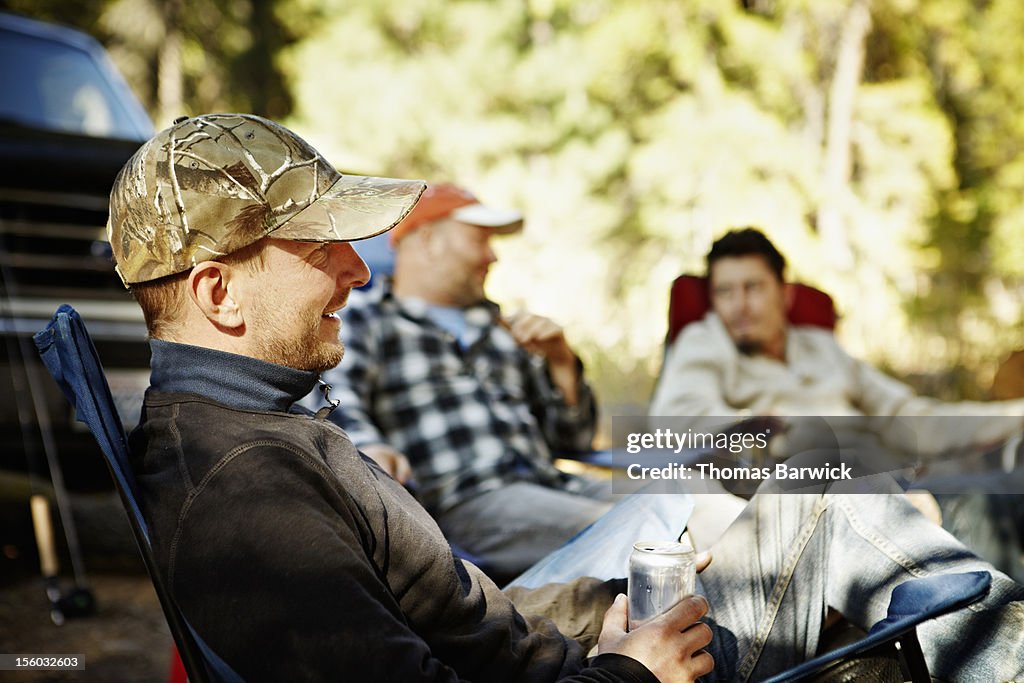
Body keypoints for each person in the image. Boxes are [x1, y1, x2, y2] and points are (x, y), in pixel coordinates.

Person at [111, 114, 1024, 682]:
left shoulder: (262, 431)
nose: (357, 268)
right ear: (218, 293)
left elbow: (463, 621)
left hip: (583, 642)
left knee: (813, 490)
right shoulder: (247, 495)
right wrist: (630, 666)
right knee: (822, 503)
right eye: (320, 248)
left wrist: (603, 613)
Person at [309, 182, 667, 581]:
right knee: (654, 532)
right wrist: (368, 448)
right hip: (468, 502)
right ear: (427, 240)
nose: (492, 256)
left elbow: (574, 441)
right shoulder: (369, 319)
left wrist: (562, 363)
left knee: (692, 500)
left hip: (555, 488)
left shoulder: (504, 329)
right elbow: (336, 400)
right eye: (480, 241)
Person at [650, 226, 1024, 579]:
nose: (739, 306)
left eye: (753, 287)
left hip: (905, 479)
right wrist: (774, 428)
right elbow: (676, 423)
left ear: (785, 293)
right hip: (833, 499)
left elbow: (910, 417)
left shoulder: (820, 347)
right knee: (983, 504)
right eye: (724, 292)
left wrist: (1013, 415)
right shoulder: (705, 340)